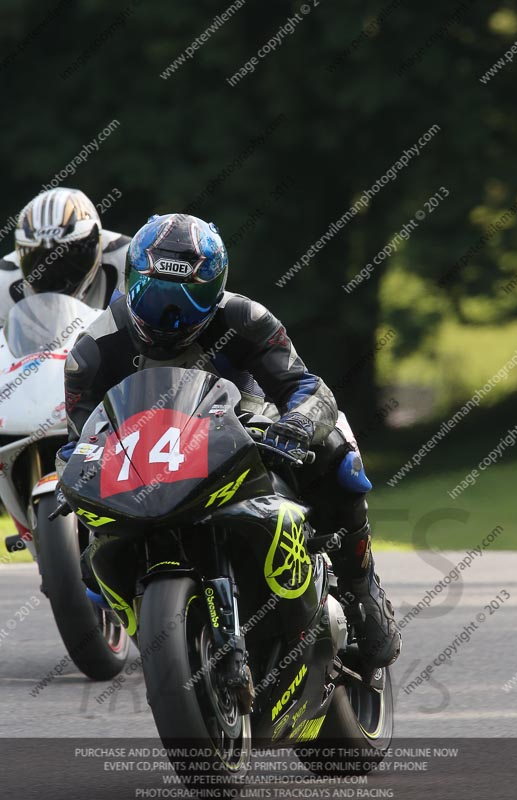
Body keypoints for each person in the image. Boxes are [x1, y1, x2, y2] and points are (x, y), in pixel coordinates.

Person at [59, 212, 401, 670]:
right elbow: (78, 441)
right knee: (88, 553)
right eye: (155, 294)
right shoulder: (93, 349)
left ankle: (362, 587)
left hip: (249, 436)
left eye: (190, 297)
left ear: (216, 289)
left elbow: (306, 387)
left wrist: (298, 423)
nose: (170, 315)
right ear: (131, 280)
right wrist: (70, 477)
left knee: (336, 448)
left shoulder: (244, 318)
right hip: (146, 466)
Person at [0, 188, 130, 326]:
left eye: (71, 252)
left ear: (95, 242)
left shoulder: (127, 260)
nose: (54, 270)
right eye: (38, 258)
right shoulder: (4, 280)